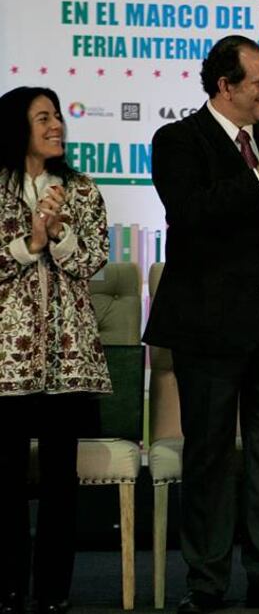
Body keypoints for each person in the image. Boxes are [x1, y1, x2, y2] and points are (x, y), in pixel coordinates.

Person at [142, 35, 259, 613]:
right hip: (208, 327)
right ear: (225, 86)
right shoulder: (178, 140)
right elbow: (192, 213)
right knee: (208, 456)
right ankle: (206, 583)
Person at [0, 86, 111, 614]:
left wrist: (60, 233)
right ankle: (7, 586)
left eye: (57, 117)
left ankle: (52, 592)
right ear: (17, 126)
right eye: (42, 117)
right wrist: (30, 244)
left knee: (61, 481)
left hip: (70, 360)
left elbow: (91, 264)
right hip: (7, 362)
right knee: (5, 479)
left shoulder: (83, 191)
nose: (55, 126)